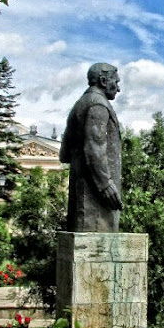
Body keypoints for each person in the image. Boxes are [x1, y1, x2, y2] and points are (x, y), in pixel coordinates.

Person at [60, 63, 122, 232]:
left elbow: (64, 153)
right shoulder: (98, 105)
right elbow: (95, 148)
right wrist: (106, 185)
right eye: (115, 83)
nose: (118, 89)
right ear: (103, 81)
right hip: (95, 200)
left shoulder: (81, 103)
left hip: (81, 192)